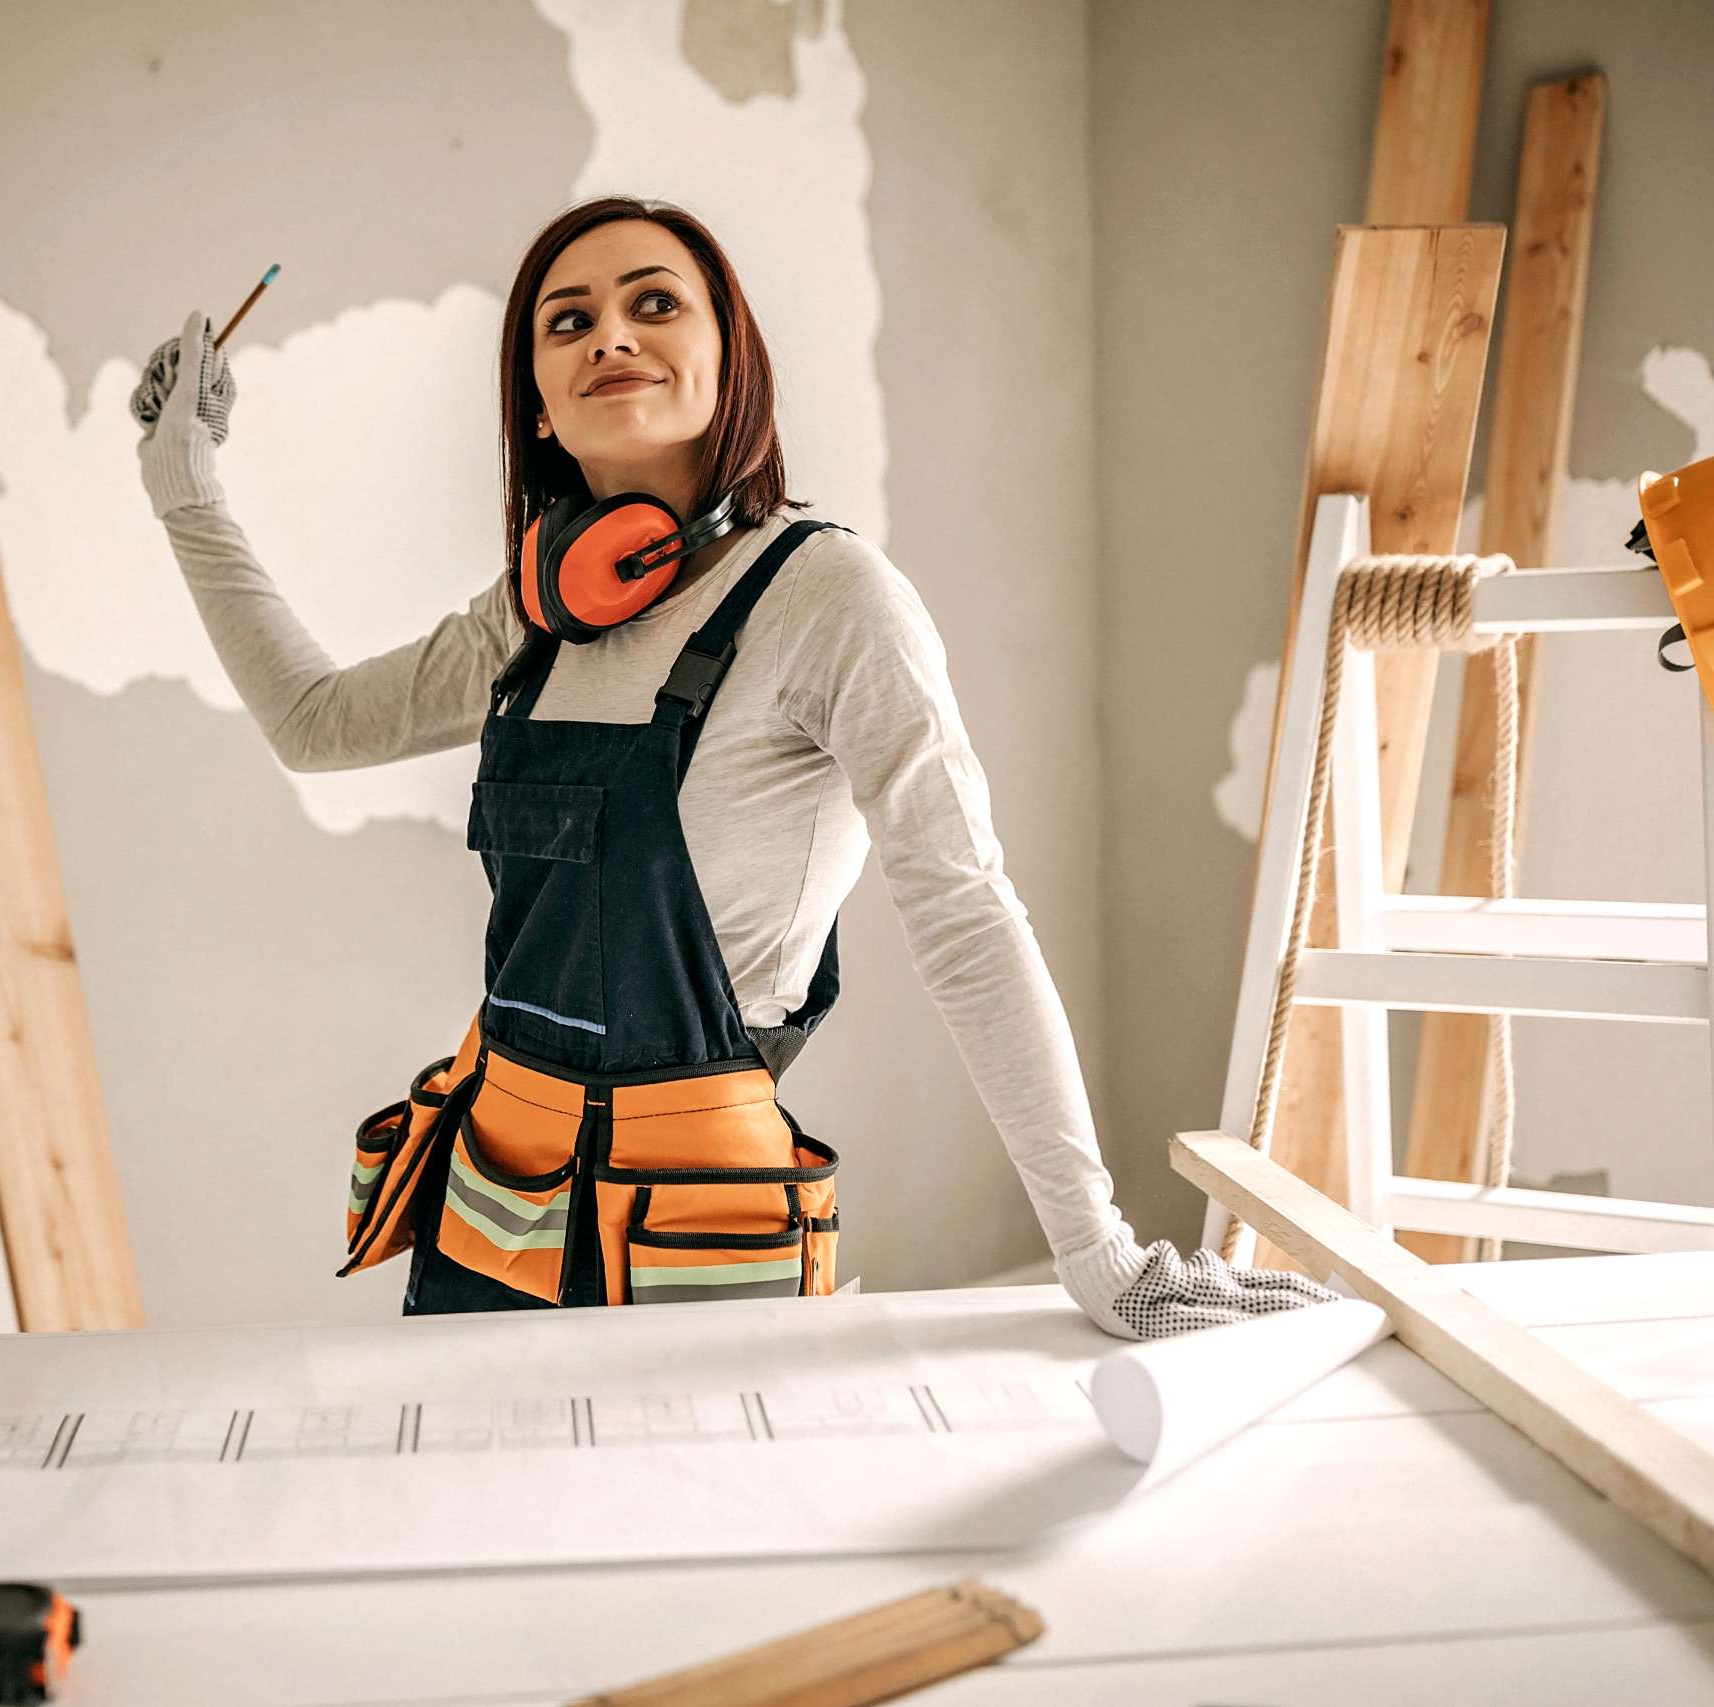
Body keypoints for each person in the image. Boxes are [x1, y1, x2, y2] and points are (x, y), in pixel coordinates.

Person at [133, 194, 1332, 1337]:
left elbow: (966, 916)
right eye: (568, 320)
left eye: (654, 304)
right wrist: (184, 489)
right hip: (486, 1214)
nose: (609, 333)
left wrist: (1095, 1248)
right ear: (538, 406)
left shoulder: (827, 598)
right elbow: (315, 721)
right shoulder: (537, 612)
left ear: (728, 364)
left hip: (691, 1237)